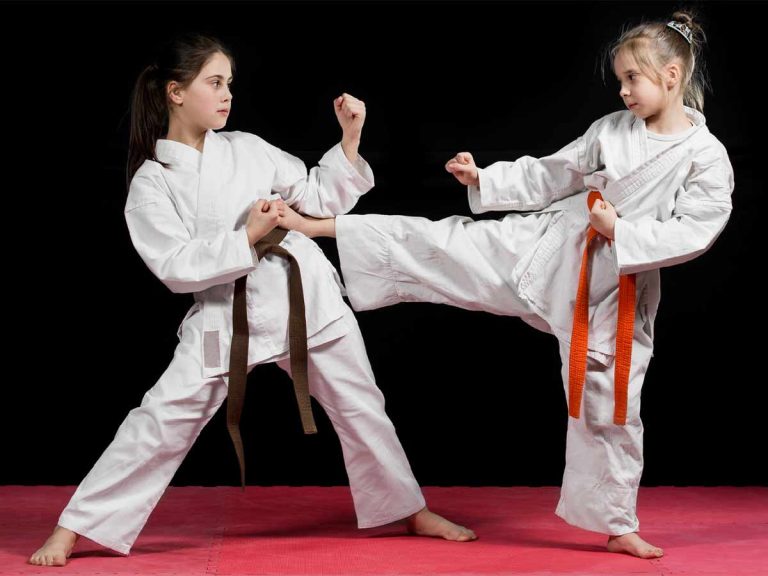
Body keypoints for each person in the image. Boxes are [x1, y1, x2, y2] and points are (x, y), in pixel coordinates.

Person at [280, 11, 734, 559]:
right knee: (446, 242)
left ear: (670, 75)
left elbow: (698, 228)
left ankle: (617, 524)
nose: (622, 90)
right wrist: (486, 178)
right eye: (620, 79)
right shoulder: (612, 129)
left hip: (614, 287)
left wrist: (623, 232)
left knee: (608, 406)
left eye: (632, 78)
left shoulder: (705, 156)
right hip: (548, 246)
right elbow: (553, 173)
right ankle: (323, 226)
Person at [29, 33, 476, 568]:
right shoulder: (154, 181)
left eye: (230, 84)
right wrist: (247, 237)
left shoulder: (247, 147)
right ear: (175, 92)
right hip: (226, 314)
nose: (227, 95)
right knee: (159, 421)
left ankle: (411, 511)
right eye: (214, 83)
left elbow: (316, 194)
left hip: (305, 297)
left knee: (363, 408)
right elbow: (174, 266)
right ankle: (74, 527)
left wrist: (350, 137)